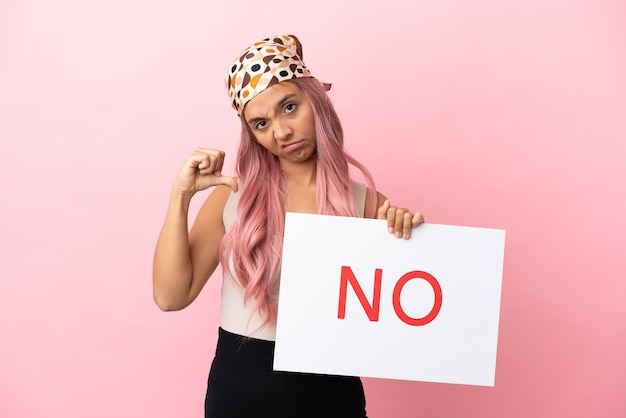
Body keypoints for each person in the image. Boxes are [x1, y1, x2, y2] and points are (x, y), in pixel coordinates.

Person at [153, 34, 424, 418]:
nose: (280, 133)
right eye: (261, 123)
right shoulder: (233, 196)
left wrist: (408, 238)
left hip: (332, 394)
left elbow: (402, 321)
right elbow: (170, 297)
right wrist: (180, 196)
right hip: (240, 392)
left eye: (290, 107)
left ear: (316, 101)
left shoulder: (368, 205)